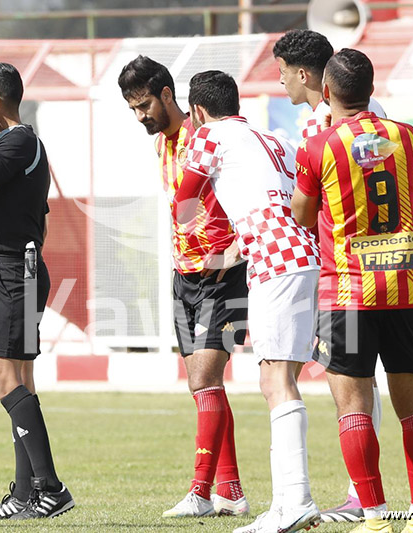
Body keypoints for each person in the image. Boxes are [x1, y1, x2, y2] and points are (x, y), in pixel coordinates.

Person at [291, 49, 413, 533]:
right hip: (403, 289)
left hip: (347, 296)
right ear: (372, 90)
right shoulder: (407, 137)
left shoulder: (317, 148)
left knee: (353, 406)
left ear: (327, 91)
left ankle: (373, 516)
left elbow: (303, 216)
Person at [173, 70, 321, 533]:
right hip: (306, 255)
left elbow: (183, 202)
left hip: (275, 266)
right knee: (287, 377)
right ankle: (292, 501)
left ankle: (294, 502)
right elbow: (285, 202)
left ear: (197, 111)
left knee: (275, 380)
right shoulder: (272, 137)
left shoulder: (208, 135)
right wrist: (234, 249)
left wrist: (196, 239)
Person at [118, 56, 250, 518]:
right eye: (132, 109)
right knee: (204, 387)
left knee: (204, 379)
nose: (140, 116)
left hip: (226, 277)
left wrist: (237, 251)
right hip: (184, 277)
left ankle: (199, 491)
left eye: (144, 105)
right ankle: (230, 491)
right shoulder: (163, 144)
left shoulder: (210, 139)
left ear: (168, 96)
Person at [273, 29, 385, 523]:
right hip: (348, 270)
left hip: (352, 272)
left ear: (303, 73)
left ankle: (364, 497)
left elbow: (314, 205)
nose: (279, 82)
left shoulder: (343, 124)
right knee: (357, 381)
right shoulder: (325, 120)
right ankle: (363, 493)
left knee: (355, 382)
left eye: (282, 72)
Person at [0, 62, 74, 520]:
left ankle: (51, 487)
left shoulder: (16, 141)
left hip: (11, 270)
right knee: (21, 380)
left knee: (1, 379)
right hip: (18, 268)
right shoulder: (20, 143)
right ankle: (26, 494)